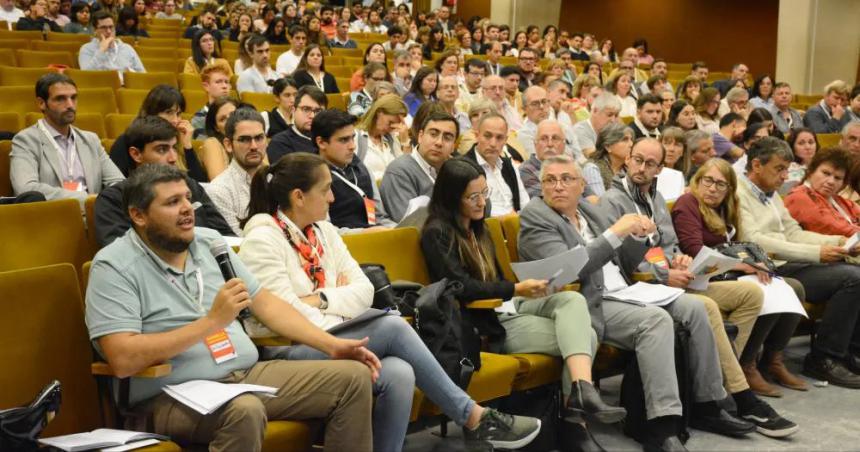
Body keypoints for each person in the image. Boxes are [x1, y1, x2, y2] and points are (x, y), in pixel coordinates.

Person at [238, 144, 541, 452]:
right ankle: (474, 417)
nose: (332, 198)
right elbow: (286, 315)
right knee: (392, 327)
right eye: (326, 189)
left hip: (336, 332)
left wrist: (322, 299)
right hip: (287, 350)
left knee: (399, 372)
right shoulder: (262, 240)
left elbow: (364, 289)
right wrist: (339, 305)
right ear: (298, 197)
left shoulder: (324, 231)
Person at [86, 162, 378, 452]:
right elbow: (123, 357)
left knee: (353, 377)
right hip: (168, 394)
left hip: (242, 376)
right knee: (244, 410)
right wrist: (211, 323)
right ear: (138, 215)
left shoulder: (209, 243)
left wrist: (331, 345)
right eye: (173, 202)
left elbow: (267, 304)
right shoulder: (114, 266)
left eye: (188, 198)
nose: (188, 208)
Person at [519, 154, 758, 451]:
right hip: (587, 302)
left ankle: (708, 403)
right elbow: (571, 270)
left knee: (695, 308)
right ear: (540, 186)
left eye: (566, 179)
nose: (558, 186)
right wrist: (616, 231)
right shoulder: (536, 215)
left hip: (627, 291)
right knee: (655, 321)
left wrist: (641, 238)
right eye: (549, 180)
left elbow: (628, 259)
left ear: (581, 185)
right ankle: (661, 426)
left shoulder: (588, 212)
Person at [420, 156, 625, 450]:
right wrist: (516, 288)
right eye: (472, 196)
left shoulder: (479, 226)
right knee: (587, 336)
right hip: (483, 323)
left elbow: (497, 277)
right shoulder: (437, 232)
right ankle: (576, 420)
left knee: (570, 298)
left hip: (507, 307)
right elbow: (461, 287)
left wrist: (532, 285)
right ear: (452, 198)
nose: (481, 202)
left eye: (484, 193)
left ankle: (580, 397)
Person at [672, 159, 808, 396]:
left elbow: (737, 244)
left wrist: (756, 263)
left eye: (721, 184)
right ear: (697, 180)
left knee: (793, 287)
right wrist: (744, 266)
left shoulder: (726, 207)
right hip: (704, 275)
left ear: (729, 189)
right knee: (765, 292)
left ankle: (772, 360)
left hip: (728, 271)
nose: (713, 188)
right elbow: (694, 248)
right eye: (708, 181)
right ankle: (745, 364)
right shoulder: (688, 203)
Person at [736, 137, 860, 388]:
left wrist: (836, 241)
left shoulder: (770, 195)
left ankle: (848, 351)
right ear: (757, 165)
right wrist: (817, 253)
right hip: (765, 265)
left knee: (854, 271)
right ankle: (824, 357)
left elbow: (792, 232)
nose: (785, 176)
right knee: (853, 278)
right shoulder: (739, 192)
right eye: (779, 169)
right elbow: (754, 240)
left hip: (786, 262)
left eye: (786, 169)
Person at [95, 116, 234, 247]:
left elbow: (226, 236)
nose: (173, 158)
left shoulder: (190, 185)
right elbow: (119, 254)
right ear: (136, 154)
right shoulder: (113, 199)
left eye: (174, 147)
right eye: (162, 149)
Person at [11, 73, 124, 206]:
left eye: (74, 98)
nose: (70, 105)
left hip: (95, 215)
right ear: (42, 103)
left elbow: (119, 183)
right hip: (53, 217)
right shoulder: (26, 140)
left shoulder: (90, 140)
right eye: (60, 99)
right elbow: (26, 189)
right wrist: (87, 199)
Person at [110, 85, 206, 182]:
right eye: (169, 112)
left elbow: (199, 185)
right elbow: (116, 186)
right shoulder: (125, 141)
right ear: (151, 113)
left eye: (178, 114)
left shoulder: (179, 140)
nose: (175, 120)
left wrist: (187, 147)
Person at [380, 112, 458, 222]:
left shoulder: (457, 171)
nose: (439, 142)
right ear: (420, 136)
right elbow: (411, 226)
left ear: (454, 146)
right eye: (433, 134)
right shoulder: (399, 171)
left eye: (447, 137)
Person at [205, 109, 267, 236]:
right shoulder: (219, 191)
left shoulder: (278, 180)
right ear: (228, 144)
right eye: (244, 139)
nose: (254, 146)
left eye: (259, 138)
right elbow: (239, 242)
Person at [462, 114, 529, 217]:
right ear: (477, 136)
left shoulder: (509, 165)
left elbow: (524, 204)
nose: (493, 143)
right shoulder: (464, 167)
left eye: (499, 137)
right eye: (487, 136)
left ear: (505, 140)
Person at [784, 147, 860, 237]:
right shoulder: (798, 197)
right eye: (826, 173)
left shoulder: (840, 201)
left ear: (843, 184)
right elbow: (834, 228)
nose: (831, 181)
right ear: (811, 171)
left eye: (837, 178)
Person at [354, 94, 408, 181]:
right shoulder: (355, 137)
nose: (392, 128)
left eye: (396, 124)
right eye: (390, 122)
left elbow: (406, 169)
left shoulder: (391, 138)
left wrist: (405, 141)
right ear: (379, 112)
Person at [267, 86, 327, 164]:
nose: (312, 116)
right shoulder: (280, 143)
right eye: (306, 109)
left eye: (318, 111)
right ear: (293, 110)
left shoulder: (331, 138)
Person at [79, 11, 146, 73]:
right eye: (103, 27)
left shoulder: (127, 48)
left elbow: (143, 74)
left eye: (111, 27)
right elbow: (86, 75)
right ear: (95, 30)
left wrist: (130, 72)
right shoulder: (86, 49)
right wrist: (101, 50)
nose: (109, 31)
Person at [582, 122, 633, 196]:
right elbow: (601, 203)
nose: (631, 144)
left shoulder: (629, 168)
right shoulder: (592, 168)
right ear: (608, 146)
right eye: (625, 140)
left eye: (631, 139)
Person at [198, 97, 240, 180]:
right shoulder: (212, 144)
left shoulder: (253, 140)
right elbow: (219, 185)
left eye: (233, 115)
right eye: (223, 119)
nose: (230, 121)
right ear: (216, 127)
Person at [571, 92, 621, 158]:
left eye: (616, 115)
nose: (613, 120)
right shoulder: (580, 130)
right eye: (609, 115)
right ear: (595, 111)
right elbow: (594, 158)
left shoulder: (611, 132)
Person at [191, 65, 232, 139]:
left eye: (227, 82)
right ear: (206, 86)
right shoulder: (199, 118)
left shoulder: (238, 112)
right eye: (218, 82)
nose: (224, 86)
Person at [782, 127, 818, 193]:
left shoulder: (822, 166)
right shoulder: (787, 169)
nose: (808, 147)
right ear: (792, 147)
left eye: (811, 142)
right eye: (801, 143)